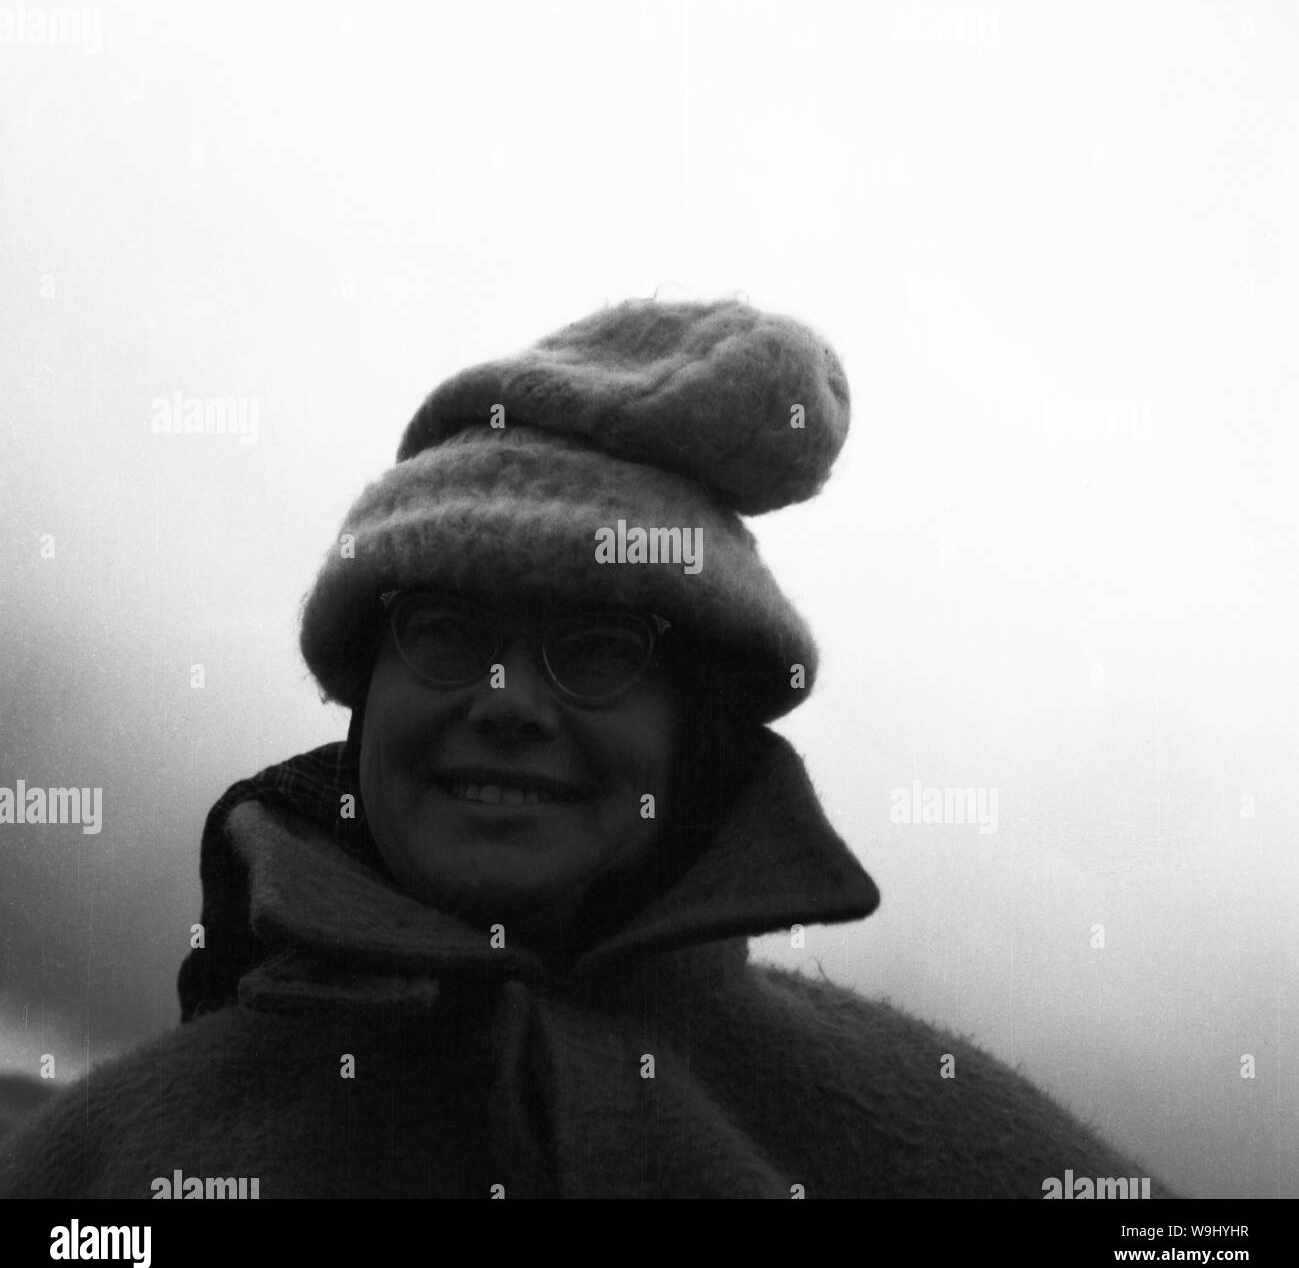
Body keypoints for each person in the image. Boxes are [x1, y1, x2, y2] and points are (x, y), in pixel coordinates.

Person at [0, 298, 1173, 1198]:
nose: (507, 700)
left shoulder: (945, 1139)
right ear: (365, 697)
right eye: (446, 630)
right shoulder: (98, 1165)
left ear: (695, 732)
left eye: (598, 644)